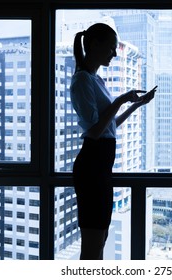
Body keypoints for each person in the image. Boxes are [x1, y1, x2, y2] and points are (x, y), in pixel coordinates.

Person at [70, 23, 157, 260]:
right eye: (110, 48)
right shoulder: (82, 81)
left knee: (100, 240)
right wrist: (120, 100)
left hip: (100, 169)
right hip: (92, 168)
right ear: (94, 45)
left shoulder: (95, 80)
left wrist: (136, 104)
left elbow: (109, 126)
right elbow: (96, 131)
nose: (114, 53)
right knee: (92, 244)